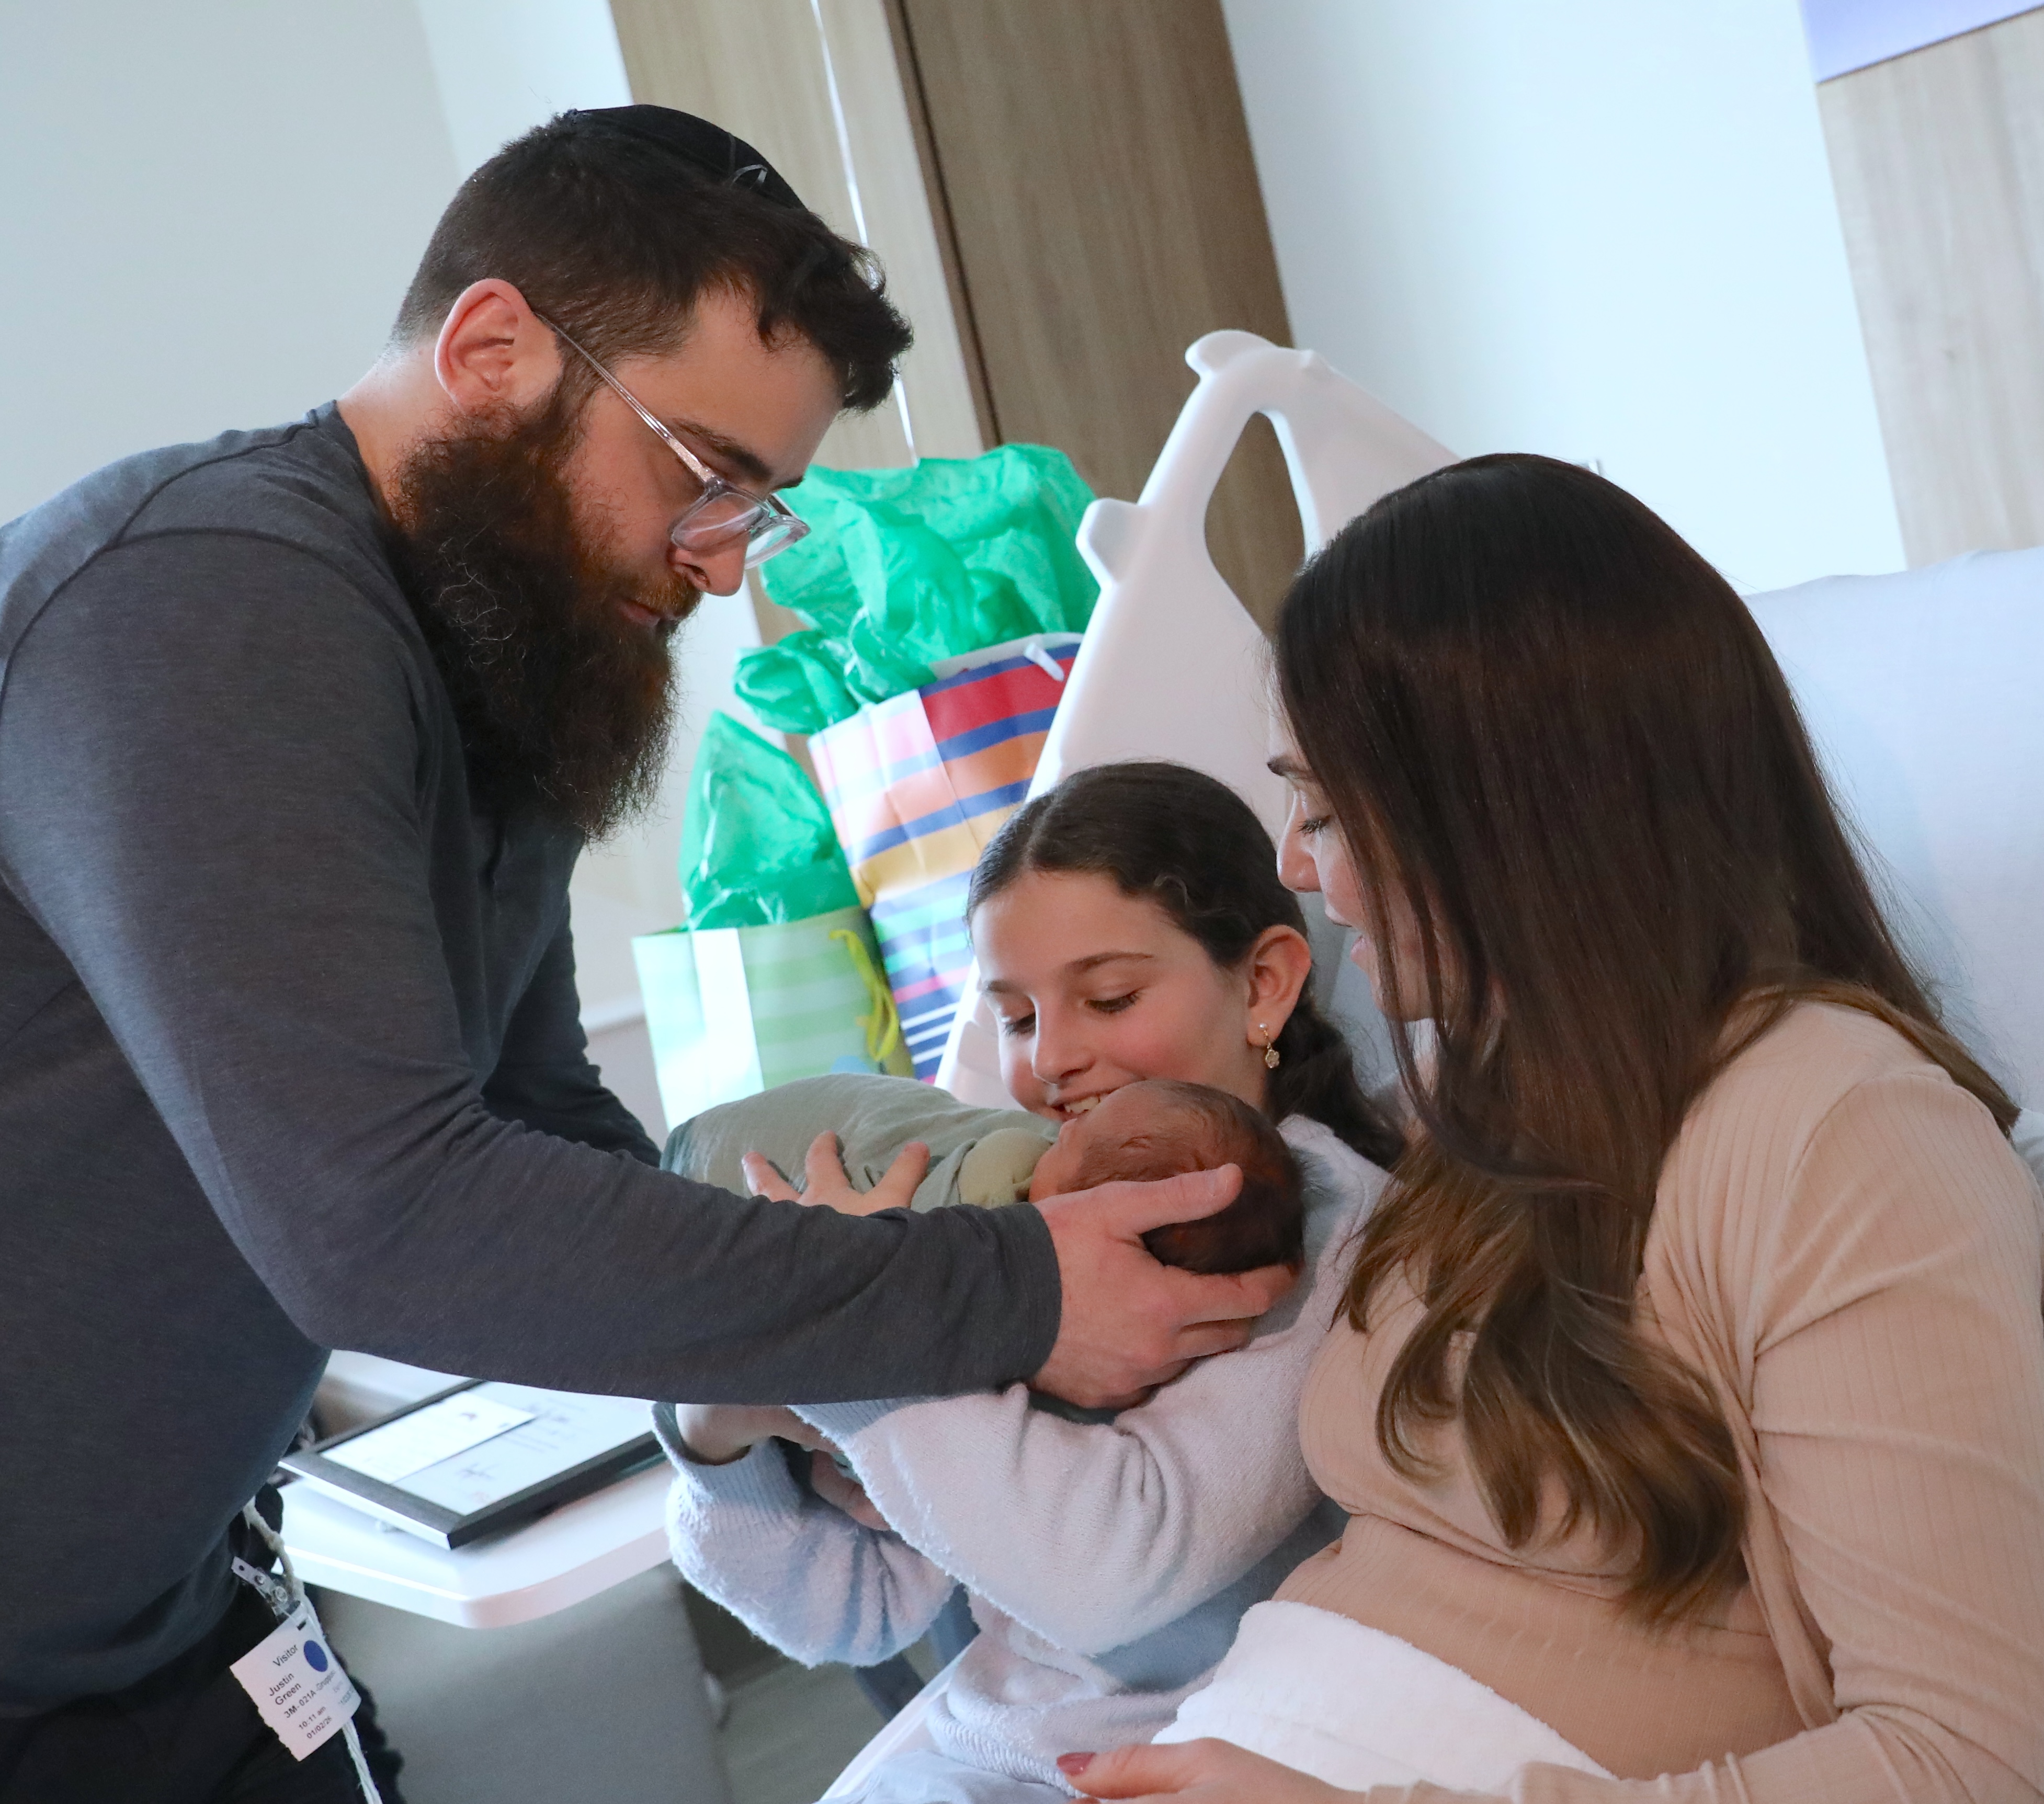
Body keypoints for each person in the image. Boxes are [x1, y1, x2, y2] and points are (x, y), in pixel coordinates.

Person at [0, 111, 1286, 1802]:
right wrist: (1007, 1297)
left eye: (761, 504)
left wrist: (807, 1387)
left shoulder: (485, 674)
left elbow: (536, 1120)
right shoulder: (208, 604)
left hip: (159, 1629)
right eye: (706, 478)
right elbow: (386, 1220)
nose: (722, 559)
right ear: (494, 349)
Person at [1068, 456, 2044, 1804]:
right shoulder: (1510, 1104)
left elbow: (1978, 1764)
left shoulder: (1844, 1135)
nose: (1303, 867)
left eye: (1322, 808)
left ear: (1503, 810)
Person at [663, 762, 1401, 1804]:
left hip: (1186, 1755)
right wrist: (717, 1425)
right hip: (989, 1743)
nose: (1052, 1058)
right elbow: (851, 1609)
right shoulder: (1022, 1227)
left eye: (1109, 997)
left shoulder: (1322, 1239)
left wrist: (857, 1316)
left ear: (1266, 983)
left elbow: (1105, 1579)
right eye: (1014, 1018)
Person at [676, 1074, 1310, 1270]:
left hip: (717, 1169)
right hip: (729, 1152)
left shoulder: (1006, 1180)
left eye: (1078, 1137)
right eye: (1018, 1020)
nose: (1063, 1124)